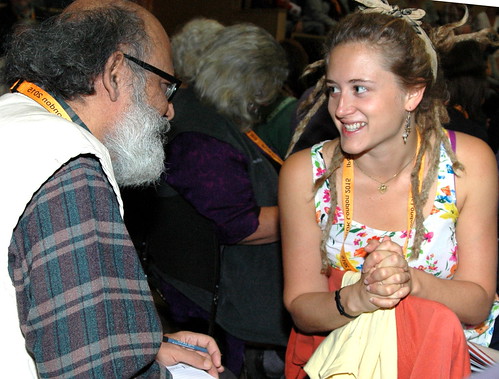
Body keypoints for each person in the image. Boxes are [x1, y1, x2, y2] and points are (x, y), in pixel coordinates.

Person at [0, 0, 225, 377]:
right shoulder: (69, 165)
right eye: (165, 86)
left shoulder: (13, 114)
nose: (169, 110)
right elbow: (96, 370)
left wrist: (148, 348)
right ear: (116, 72)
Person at [279, 0, 499, 377]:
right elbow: (301, 305)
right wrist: (360, 295)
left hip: (453, 355)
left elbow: (477, 303)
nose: (341, 107)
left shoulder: (468, 164)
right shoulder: (305, 174)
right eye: (334, 89)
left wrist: (410, 280)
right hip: (350, 356)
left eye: (360, 89)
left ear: (412, 94)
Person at [143, 22, 291, 377]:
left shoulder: (210, 114)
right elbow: (242, 226)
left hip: (223, 290)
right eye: (264, 93)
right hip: (212, 300)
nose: (265, 103)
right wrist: (315, 211)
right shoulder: (201, 136)